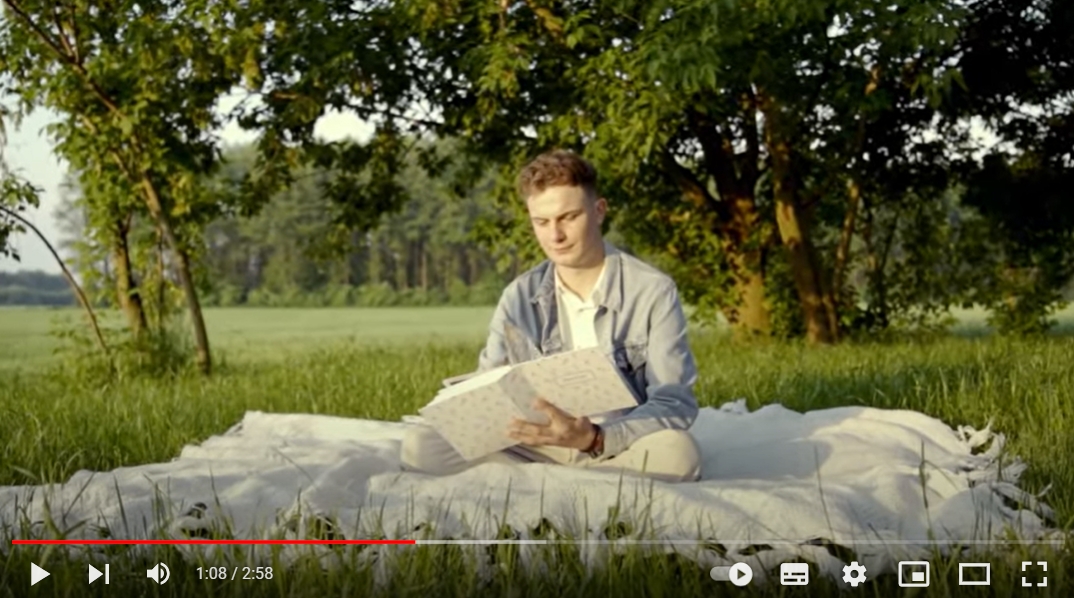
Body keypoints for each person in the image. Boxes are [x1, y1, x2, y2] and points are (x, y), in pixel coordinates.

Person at [400, 149, 702, 483]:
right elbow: (489, 387)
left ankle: (545, 482)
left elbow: (673, 401)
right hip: (537, 443)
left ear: (599, 211)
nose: (555, 236)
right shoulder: (518, 295)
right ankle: (584, 483)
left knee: (678, 453)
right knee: (422, 446)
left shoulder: (652, 291)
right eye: (541, 222)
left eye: (568, 217)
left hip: (614, 443)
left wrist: (596, 438)